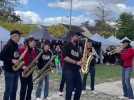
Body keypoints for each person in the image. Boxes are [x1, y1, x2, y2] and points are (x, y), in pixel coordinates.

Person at [0, 30, 21, 100]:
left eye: (19, 36)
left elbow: (16, 56)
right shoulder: (8, 45)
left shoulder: (16, 45)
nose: (19, 38)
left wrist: (19, 60)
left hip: (15, 71)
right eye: (18, 36)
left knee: (14, 90)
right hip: (9, 71)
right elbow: (1, 56)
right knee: (8, 90)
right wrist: (11, 60)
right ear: (13, 36)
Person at [62, 32, 83, 100]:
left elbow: (80, 58)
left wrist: (82, 60)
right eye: (77, 36)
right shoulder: (67, 45)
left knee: (79, 87)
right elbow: (65, 57)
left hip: (76, 71)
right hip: (68, 70)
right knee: (69, 89)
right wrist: (76, 62)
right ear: (72, 37)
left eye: (78, 36)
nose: (78, 38)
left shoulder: (77, 48)